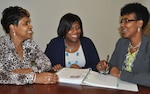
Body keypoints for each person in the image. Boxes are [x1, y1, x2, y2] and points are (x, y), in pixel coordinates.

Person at [0, 6, 58, 85]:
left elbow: (47, 63)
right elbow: (1, 75)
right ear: (13, 27)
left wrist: (31, 70)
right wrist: (34, 78)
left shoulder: (29, 44)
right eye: (26, 23)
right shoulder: (2, 45)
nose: (31, 26)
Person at [97, 2, 150, 87]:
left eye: (126, 21)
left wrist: (121, 75)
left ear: (139, 23)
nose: (122, 25)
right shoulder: (121, 43)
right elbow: (112, 66)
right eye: (122, 21)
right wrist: (105, 68)